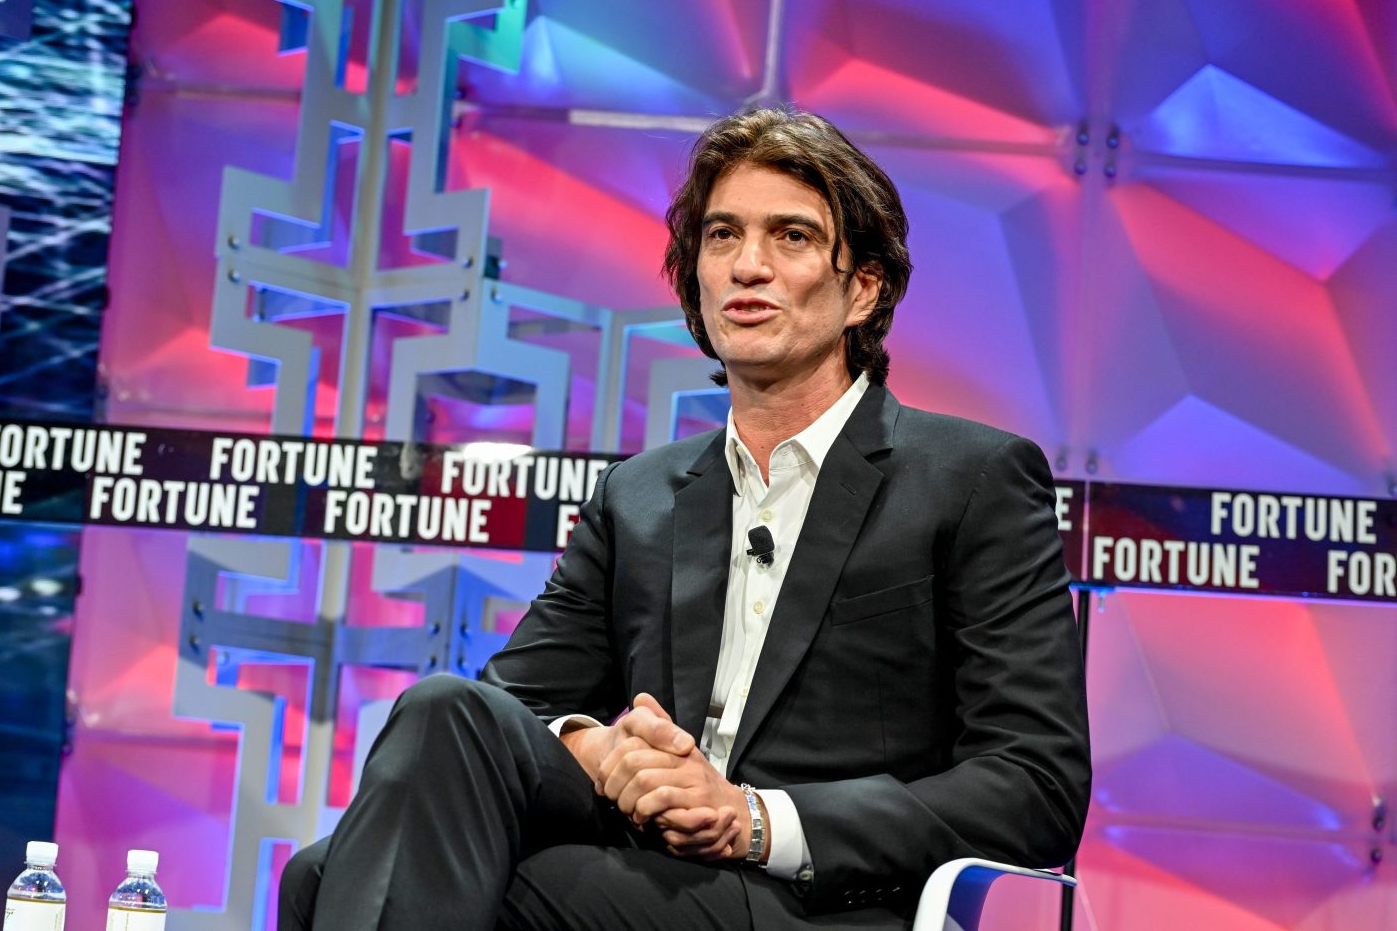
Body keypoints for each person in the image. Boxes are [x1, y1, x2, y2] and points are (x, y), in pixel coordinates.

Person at [279, 106, 1090, 931]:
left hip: (814, 900)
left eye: (793, 238)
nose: (749, 266)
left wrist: (754, 818)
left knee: (434, 886)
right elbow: (509, 707)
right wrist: (600, 750)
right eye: (722, 236)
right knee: (433, 724)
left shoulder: (972, 478)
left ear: (863, 291)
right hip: (637, 859)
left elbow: (1035, 783)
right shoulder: (641, 495)